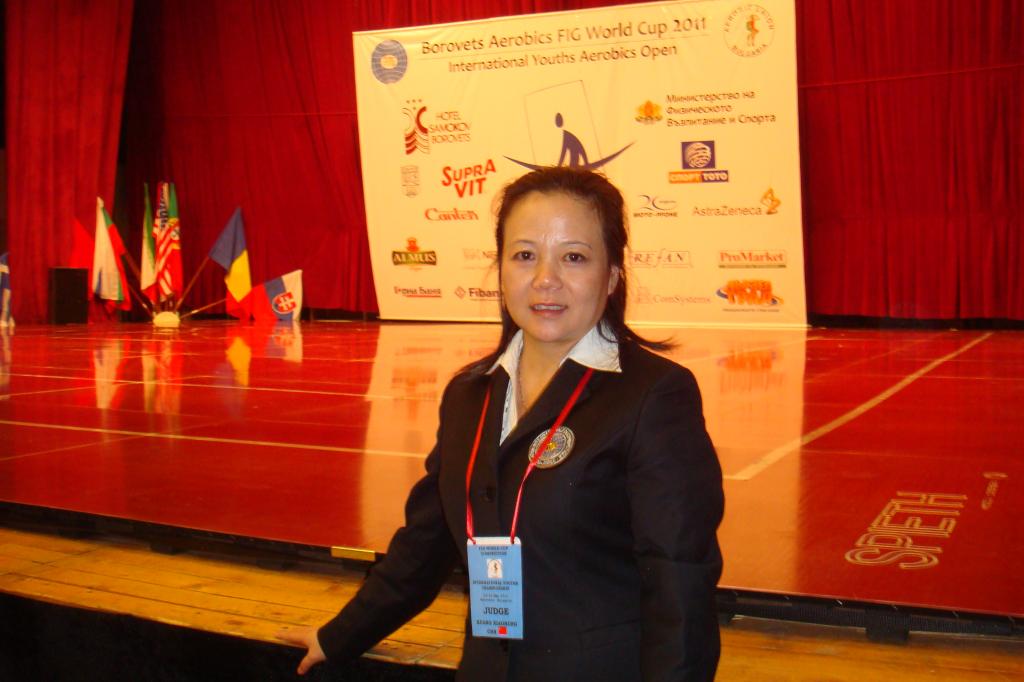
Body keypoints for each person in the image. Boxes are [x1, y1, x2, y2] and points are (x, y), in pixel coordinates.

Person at [278, 167, 724, 681]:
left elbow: (679, 585)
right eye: (525, 255)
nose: (545, 279)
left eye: (574, 257)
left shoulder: (652, 396)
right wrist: (339, 636)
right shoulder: (469, 396)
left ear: (612, 277)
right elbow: (425, 545)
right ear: (501, 269)